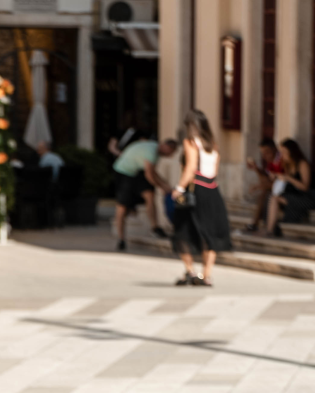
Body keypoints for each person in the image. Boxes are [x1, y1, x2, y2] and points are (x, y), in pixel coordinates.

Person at [166, 111, 232, 286]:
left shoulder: (190, 143)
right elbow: (215, 171)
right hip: (212, 190)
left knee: (182, 230)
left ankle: (190, 271)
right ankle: (206, 274)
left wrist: (178, 188)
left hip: (195, 189)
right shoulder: (213, 145)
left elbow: (191, 167)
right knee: (210, 232)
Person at [112, 137, 178, 250]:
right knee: (122, 206)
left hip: (137, 172)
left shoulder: (153, 147)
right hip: (123, 172)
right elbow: (149, 175)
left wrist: (165, 185)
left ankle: (155, 227)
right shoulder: (151, 152)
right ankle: (121, 238)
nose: (170, 155)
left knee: (149, 196)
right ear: (167, 147)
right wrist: (162, 186)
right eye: (171, 152)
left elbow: (152, 172)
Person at [264, 139, 314, 237]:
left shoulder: (302, 164)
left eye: (284, 152)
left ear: (292, 152)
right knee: (270, 197)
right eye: (281, 152)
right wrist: (275, 176)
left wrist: (288, 178)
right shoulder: (287, 165)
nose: (282, 155)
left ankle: (269, 230)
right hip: (291, 196)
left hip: (306, 198)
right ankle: (270, 229)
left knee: (274, 199)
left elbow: (305, 187)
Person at [243, 137, 284, 232]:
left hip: (286, 190)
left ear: (274, 149)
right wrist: (256, 169)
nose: (264, 156)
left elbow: (273, 183)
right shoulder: (271, 163)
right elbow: (266, 180)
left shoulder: (281, 161)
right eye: (263, 153)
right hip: (275, 189)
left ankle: (255, 223)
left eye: (267, 152)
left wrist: (259, 186)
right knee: (264, 192)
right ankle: (255, 223)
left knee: (264, 193)